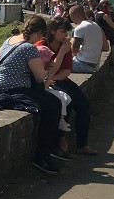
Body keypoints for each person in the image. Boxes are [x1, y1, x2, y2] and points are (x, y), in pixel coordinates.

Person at [0, 16, 63, 174]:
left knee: (50, 103)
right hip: (15, 88)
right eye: (42, 36)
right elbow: (39, 77)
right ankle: (42, 155)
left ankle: (50, 148)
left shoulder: (10, 40)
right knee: (53, 106)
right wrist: (49, 70)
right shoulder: (29, 48)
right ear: (39, 33)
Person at [40, 17, 97, 156]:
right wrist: (60, 54)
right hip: (45, 82)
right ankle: (61, 139)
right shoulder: (42, 46)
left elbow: (67, 70)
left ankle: (82, 145)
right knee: (65, 103)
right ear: (52, 31)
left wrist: (54, 78)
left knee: (84, 107)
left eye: (67, 32)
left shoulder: (64, 45)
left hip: (59, 79)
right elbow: (47, 72)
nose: (66, 35)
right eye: (63, 32)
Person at [69, 5, 104, 74]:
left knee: (57, 66)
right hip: (93, 64)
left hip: (83, 64)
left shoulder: (80, 28)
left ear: (72, 15)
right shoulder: (95, 25)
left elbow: (75, 50)